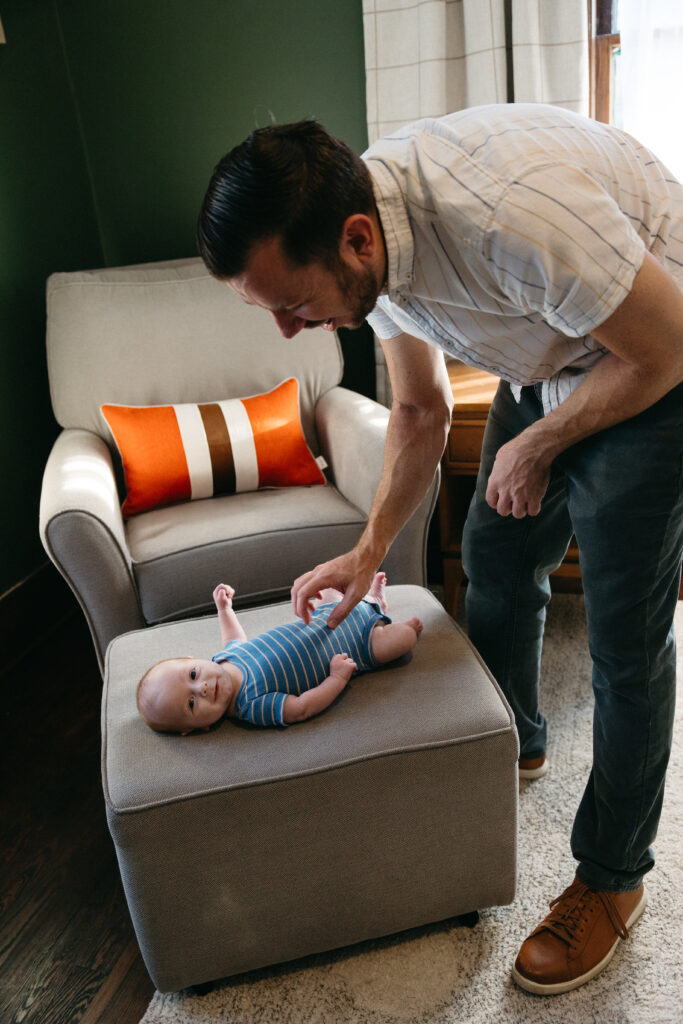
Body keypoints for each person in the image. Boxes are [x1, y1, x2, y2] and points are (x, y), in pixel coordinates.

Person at [196, 105, 683, 994]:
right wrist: (368, 545)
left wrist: (536, 446)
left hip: (655, 356)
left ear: (351, 243)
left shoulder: (506, 215)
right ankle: (509, 741)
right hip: (553, 352)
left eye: (294, 305)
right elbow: (420, 410)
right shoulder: (371, 238)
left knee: (624, 638)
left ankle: (613, 878)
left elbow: (667, 343)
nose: (290, 332)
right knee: (493, 557)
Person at [137, 573, 422, 734]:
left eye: (193, 675)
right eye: (190, 704)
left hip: (327, 616)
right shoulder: (251, 706)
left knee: (328, 590)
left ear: (193, 660)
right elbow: (300, 708)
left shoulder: (225, 660)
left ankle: (376, 601)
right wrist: (336, 679)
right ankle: (387, 615)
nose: (203, 688)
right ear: (195, 728)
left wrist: (225, 610)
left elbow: (235, 638)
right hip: (359, 645)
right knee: (402, 641)